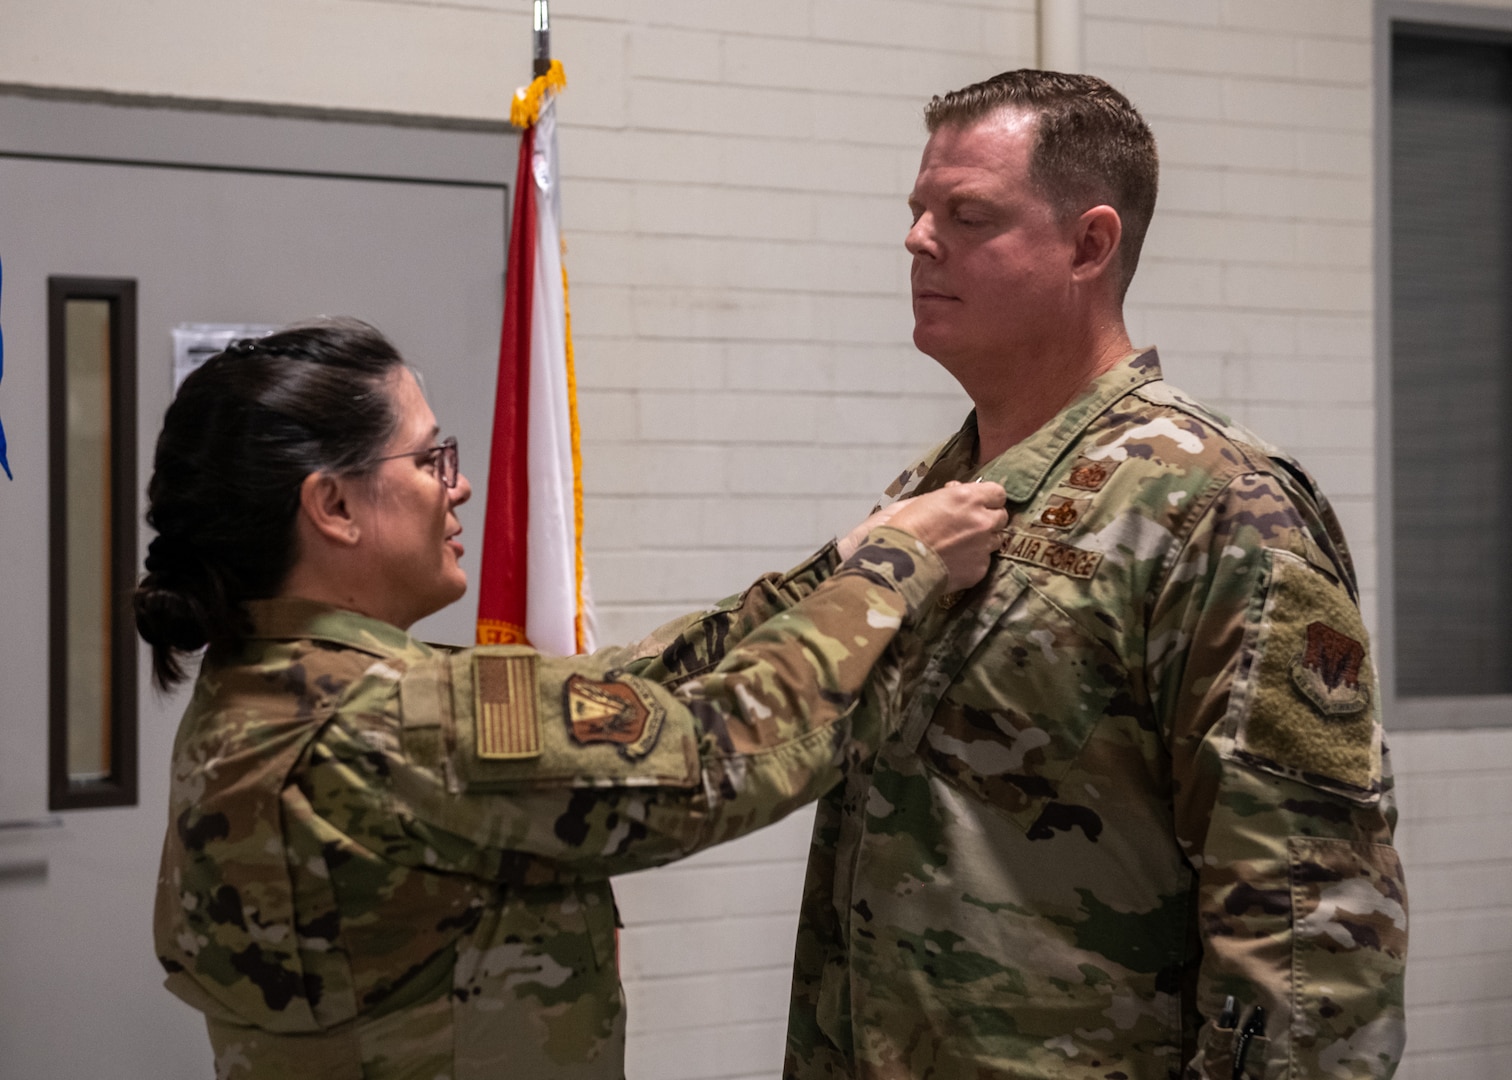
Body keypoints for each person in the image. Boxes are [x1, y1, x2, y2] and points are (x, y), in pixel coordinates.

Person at [138, 317, 1009, 1080]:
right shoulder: (394, 724)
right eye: (432, 458)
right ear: (333, 504)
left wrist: (837, 573)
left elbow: (615, 695)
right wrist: (902, 571)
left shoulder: (271, 686)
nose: (460, 486)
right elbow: (716, 753)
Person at [781, 72, 1407, 1080]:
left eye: (966, 214)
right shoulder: (928, 496)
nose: (918, 240)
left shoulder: (1218, 510)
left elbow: (1310, 932)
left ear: (1090, 245)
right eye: (917, 211)